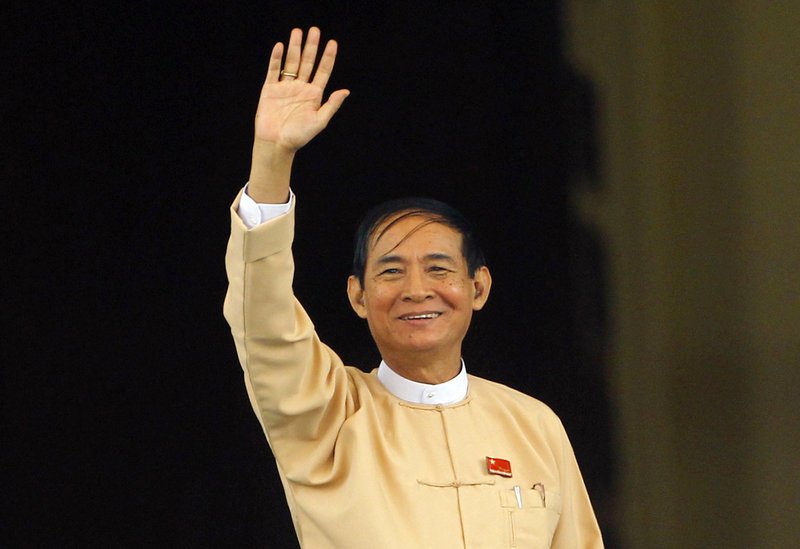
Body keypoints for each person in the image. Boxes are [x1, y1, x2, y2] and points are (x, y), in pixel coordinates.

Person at [224, 27, 603, 548]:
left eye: (439, 269)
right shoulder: (328, 416)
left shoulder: (534, 426)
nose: (416, 289)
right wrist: (271, 158)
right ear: (357, 295)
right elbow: (262, 322)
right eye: (391, 270)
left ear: (479, 287)